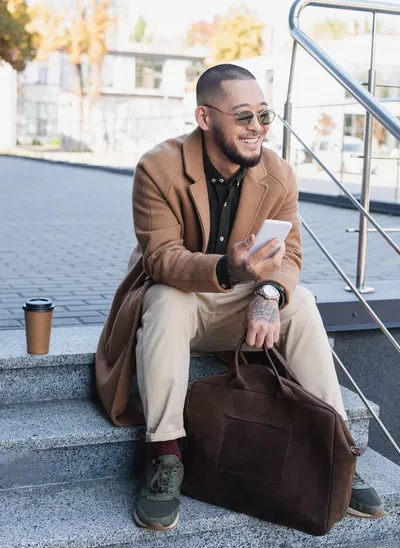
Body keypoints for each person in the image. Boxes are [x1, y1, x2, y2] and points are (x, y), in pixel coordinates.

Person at [95, 64, 384, 533]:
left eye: (265, 116)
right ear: (205, 118)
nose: (257, 129)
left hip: (241, 304)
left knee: (302, 303)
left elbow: (289, 253)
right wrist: (228, 269)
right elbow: (162, 260)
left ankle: (336, 448)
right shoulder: (160, 167)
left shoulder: (278, 172)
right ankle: (166, 455)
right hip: (182, 299)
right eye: (244, 116)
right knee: (167, 299)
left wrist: (268, 292)